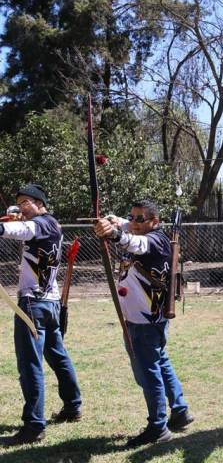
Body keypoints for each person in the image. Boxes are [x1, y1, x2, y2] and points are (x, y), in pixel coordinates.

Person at [94, 200, 193, 447]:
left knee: (148, 372)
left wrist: (114, 233)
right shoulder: (141, 229)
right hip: (143, 318)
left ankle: (158, 427)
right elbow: (127, 226)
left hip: (145, 321)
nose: (134, 222)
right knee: (159, 362)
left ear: (154, 222)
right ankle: (180, 410)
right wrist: (115, 220)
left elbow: (135, 243)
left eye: (140, 219)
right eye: (132, 217)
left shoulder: (155, 240)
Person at [1, 184, 82, 445]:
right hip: (49, 302)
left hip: (33, 305)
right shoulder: (49, 224)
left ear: (40, 203)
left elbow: (24, 229)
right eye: (19, 203)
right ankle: (72, 405)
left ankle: (34, 425)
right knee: (57, 355)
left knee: (30, 364)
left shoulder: (41, 224)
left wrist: (3, 228)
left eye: (26, 202)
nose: (21, 207)